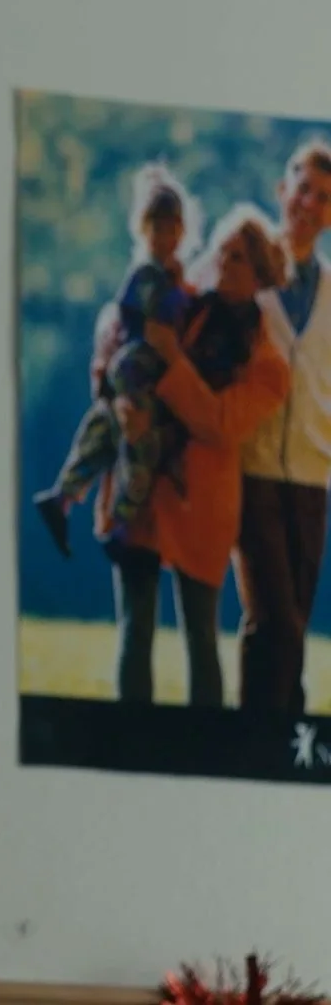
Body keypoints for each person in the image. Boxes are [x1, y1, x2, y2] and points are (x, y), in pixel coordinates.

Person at [90, 206, 291, 705]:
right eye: (222, 250)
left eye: (239, 257)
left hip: (202, 501)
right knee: (134, 629)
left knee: (201, 639)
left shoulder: (267, 363)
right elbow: (119, 344)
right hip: (142, 485)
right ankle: (129, 747)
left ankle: (204, 753)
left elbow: (220, 424)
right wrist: (120, 402)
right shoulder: (180, 306)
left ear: (261, 273)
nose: (224, 262)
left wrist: (171, 359)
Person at [34, 164, 203, 556]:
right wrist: (179, 288)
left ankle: (63, 496)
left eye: (171, 228)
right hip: (134, 368)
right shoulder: (148, 274)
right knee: (137, 442)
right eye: (157, 229)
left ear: (183, 230)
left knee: (101, 432)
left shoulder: (164, 273)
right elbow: (156, 317)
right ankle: (124, 521)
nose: (165, 238)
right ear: (144, 231)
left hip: (129, 370)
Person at [235, 139, 331, 715]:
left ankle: (259, 741)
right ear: (282, 191)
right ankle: (281, 730)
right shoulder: (242, 267)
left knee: (283, 615)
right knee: (276, 615)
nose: (310, 204)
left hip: (313, 476)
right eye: (303, 190)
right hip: (252, 468)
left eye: (323, 198)